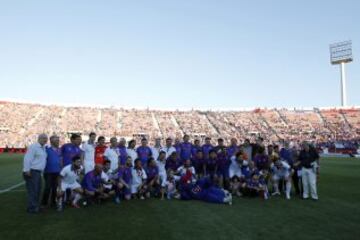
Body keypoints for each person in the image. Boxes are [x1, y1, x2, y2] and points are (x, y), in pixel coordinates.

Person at [23, 134, 48, 213]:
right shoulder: (33, 147)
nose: (45, 140)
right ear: (39, 139)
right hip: (32, 171)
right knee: (33, 191)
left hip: (37, 172)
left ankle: (35, 206)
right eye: (43, 138)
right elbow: (27, 158)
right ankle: (32, 208)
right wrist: (27, 170)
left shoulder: (43, 148)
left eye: (46, 139)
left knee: (37, 190)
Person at [42, 135, 61, 207]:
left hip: (57, 172)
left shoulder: (60, 150)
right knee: (47, 188)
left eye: (58, 140)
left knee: (55, 188)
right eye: (56, 141)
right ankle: (44, 203)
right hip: (48, 172)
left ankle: (53, 202)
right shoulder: (46, 150)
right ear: (52, 141)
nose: (58, 142)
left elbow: (61, 160)